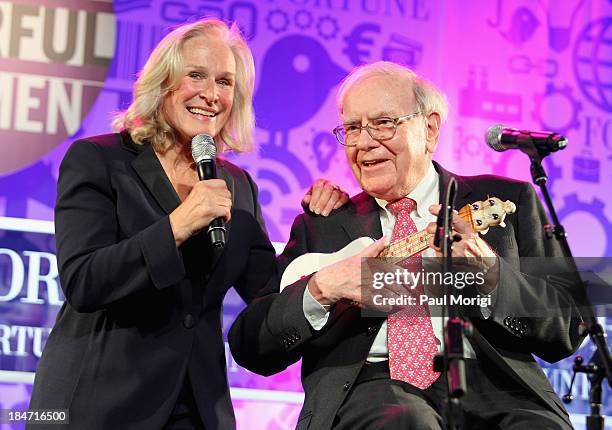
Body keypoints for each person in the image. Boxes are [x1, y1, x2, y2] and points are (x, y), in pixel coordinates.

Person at [228, 61, 585, 430]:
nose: (364, 142)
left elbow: (570, 327)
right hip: (374, 388)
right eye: (352, 128)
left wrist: (492, 274)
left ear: (429, 129)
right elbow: (250, 345)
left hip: (497, 385)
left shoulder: (508, 199)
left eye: (383, 123)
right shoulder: (322, 226)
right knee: (405, 422)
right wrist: (323, 289)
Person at [28, 18, 347, 430]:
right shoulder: (99, 161)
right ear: (164, 83)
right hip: (96, 404)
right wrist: (179, 224)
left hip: (196, 407)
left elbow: (270, 290)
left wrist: (318, 222)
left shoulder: (238, 184)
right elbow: (84, 281)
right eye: (195, 75)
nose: (211, 95)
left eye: (225, 82)